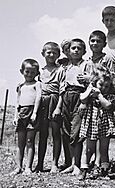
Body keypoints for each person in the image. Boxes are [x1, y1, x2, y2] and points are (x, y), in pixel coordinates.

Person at [79, 67, 115, 179]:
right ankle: (84, 170)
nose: (104, 88)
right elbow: (82, 98)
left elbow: (108, 105)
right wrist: (90, 89)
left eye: (107, 86)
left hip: (105, 125)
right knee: (89, 148)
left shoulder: (109, 96)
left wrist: (100, 95)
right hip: (91, 124)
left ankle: (104, 171)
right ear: (95, 83)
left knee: (103, 149)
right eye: (101, 85)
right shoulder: (90, 94)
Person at [56, 38, 86, 176]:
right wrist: (59, 106)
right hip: (66, 97)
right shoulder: (65, 67)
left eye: (79, 48)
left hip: (79, 97)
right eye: (73, 48)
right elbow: (62, 87)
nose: (76, 51)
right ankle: (72, 163)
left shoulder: (86, 64)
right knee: (67, 131)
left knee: (76, 132)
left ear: (84, 51)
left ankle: (77, 165)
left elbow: (90, 84)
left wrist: (84, 101)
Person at [35, 42, 65, 173]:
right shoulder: (39, 72)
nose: (51, 55)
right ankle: (39, 164)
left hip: (55, 101)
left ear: (58, 55)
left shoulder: (60, 70)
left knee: (56, 133)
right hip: (42, 103)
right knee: (43, 134)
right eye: (49, 52)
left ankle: (54, 164)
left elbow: (62, 90)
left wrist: (58, 107)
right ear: (43, 54)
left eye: (54, 53)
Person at [11, 59, 41, 175]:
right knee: (20, 143)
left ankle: (28, 167)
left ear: (37, 73)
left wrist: (35, 113)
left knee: (30, 141)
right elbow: (17, 102)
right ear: (22, 71)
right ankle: (18, 167)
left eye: (32, 72)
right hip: (21, 113)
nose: (29, 75)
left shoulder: (37, 84)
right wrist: (15, 116)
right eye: (27, 72)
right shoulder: (21, 86)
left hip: (31, 112)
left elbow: (38, 98)